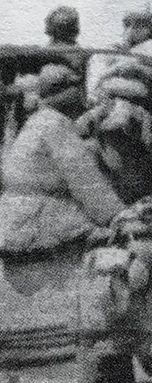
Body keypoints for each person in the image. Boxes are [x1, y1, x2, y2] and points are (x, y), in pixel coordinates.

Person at [0, 65, 125, 294]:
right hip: (36, 223)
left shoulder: (37, 121)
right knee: (107, 244)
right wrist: (119, 216)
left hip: (12, 221)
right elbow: (86, 182)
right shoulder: (56, 124)